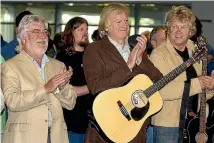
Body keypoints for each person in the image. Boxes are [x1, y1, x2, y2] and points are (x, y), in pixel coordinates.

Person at [83, 3, 163, 143]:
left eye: (126, 20)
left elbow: (158, 80)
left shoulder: (136, 49)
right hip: (107, 130)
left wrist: (139, 59)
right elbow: (96, 86)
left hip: (136, 128)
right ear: (106, 27)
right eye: (118, 21)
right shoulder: (94, 50)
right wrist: (127, 67)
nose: (124, 25)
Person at [1, 14, 77, 143]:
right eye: (36, 31)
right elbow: (13, 102)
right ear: (23, 38)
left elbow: (70, 104)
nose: (43, 35)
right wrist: (46, 88)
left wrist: (62, 87)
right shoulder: (9, 66)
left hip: (56, 137)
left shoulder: (58, 65)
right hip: (24, 139)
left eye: (45, 31)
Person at [149, 5, 214, 143]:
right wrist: (198, 83)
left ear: (191, 30)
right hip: (167, 125)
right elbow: (161, 91)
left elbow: (198, 92)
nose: (178, 31)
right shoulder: (159, 54)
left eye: (183, 27)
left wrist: (209, 87)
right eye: (174, 27)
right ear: (168, 29)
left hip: (193, 122)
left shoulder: (196, 50)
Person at [56, 17, 92, 143]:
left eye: (86, 29)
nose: (85, 33)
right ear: (71, 32)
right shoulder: (62, 59)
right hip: (73, 122)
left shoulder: (93, 55)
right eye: (81, 29)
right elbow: (66, 90)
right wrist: (92, 87)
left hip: (94, 122)